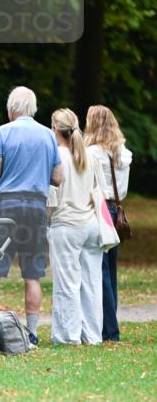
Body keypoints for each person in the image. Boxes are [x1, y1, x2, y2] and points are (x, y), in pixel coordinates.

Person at [0, 86, 63, 345]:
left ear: (11, 110)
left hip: (7, 206)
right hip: (37, 208)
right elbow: (58, 177)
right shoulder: (48, 135)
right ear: (33, 109)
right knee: (32, 274)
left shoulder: (2, 132)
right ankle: (32, 333)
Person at [47, 109, 102, 345]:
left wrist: (46, 222)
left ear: (55, 129)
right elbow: (99, 192)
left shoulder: (56, 157)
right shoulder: (90, 156)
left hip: (66, 225)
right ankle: (92, 335)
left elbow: (51, 197)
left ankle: (67, 336)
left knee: (66, 283)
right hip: (91, 224)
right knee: (91, 283)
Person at [85, 105, 133, 342]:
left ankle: (109, 329)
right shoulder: (123, 153)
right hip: (117, 210)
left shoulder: (91, 153)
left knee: (100, 269)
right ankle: (110, 325)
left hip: (100, 209)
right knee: (110, 270)